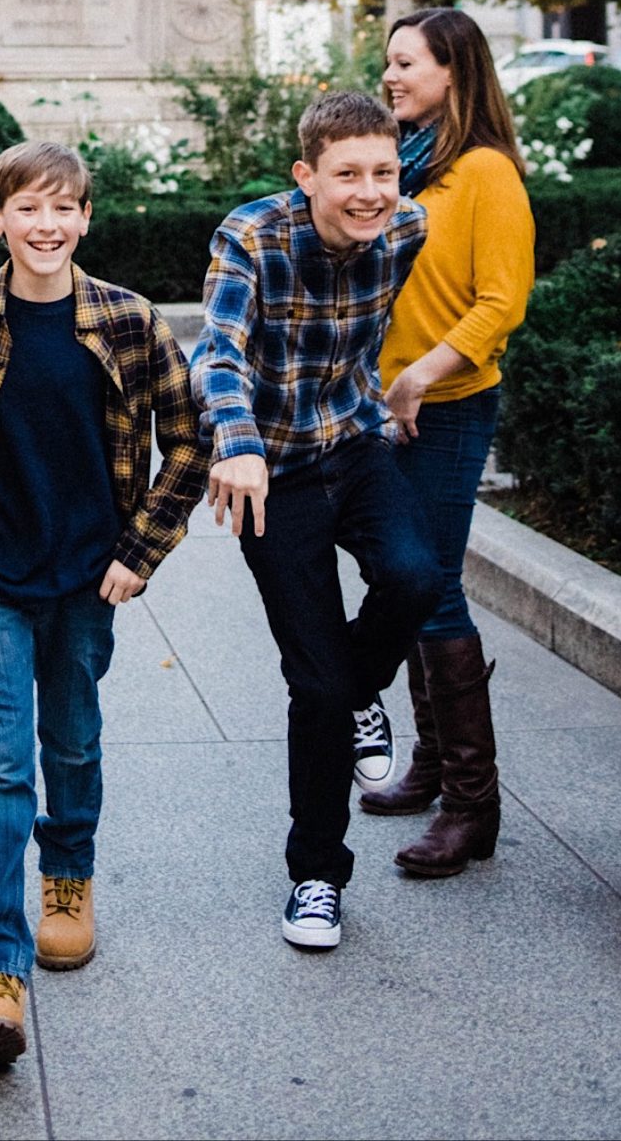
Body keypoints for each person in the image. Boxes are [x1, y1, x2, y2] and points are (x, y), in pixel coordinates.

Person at [0, 142, 207, 1065]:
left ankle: (67, 874)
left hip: (88, 578)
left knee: (71, 737)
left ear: (85, 219)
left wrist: (140, 551)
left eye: (64, 208)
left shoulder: (129, 321)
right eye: (27, 208)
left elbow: (189, 444)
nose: (47, 225)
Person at [191, 91, 441, 952]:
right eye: (347, 175)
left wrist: (395, 390)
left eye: (383, 171)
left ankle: (364, 689)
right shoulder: (252, 235)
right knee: (317, 687)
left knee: (416, 576)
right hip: (271, 473)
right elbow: (216, 348)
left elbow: (375, 340)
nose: (370, 191)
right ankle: (315, 877)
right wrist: (236, 442)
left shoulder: (406, 230)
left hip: (353, 442)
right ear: (306, 177)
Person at [363, 7, 535, 877]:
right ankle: (432, 769)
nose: (388, 75)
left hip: (447, 408)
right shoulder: (409, 169)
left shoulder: (484, 174)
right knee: (406, 583)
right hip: (387, 408)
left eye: (405, 62)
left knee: (429, 590)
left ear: (452, 71)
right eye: (387, 62)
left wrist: (419, 377)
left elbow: (501, 302)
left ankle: (473, 807)